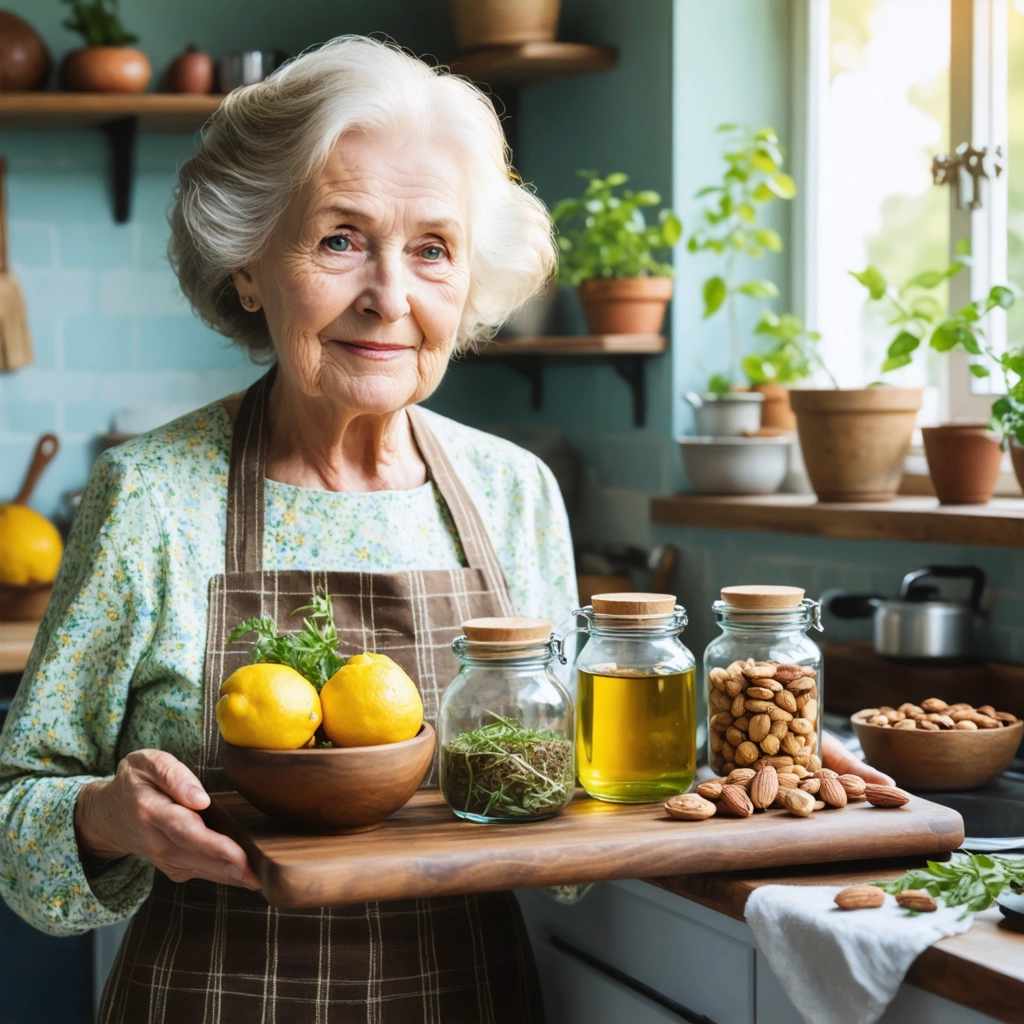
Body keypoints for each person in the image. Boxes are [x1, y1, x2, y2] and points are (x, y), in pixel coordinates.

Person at [0, 35, 888, 1024]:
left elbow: (571, 802)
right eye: (339, 238)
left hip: (468, 993)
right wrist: (106, 817)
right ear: (249, 266)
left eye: (432, 248)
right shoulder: (151, 495)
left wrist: (739, 764)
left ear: (468, 284)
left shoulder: (514, 493)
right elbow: (17, 816)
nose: (390, 295)